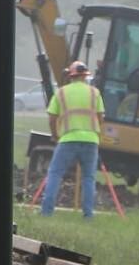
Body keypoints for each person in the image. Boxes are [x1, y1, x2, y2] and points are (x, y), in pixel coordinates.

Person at [41, 61, 105, 218]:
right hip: (91, 140)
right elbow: (100, 117)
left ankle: (46, 212)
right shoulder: (94, 93)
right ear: (85, 76)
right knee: (88, 178)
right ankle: (88, 215)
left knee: (55, 173)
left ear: (70, 76)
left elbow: (52, 118)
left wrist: (55, 134)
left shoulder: (61, 93)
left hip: (68, 138)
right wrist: (96, 134)